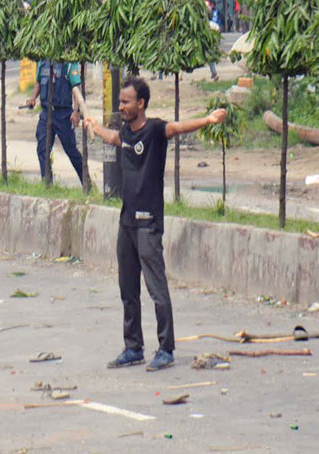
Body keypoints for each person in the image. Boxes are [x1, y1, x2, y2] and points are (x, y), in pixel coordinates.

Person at [83, 76, 226, 372]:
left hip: (148, 224)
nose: (121, 106)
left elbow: (179, 127)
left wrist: (208, 120)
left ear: (141, 104)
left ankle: (166, 349)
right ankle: (133, 348)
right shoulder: (125, 131)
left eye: (126, 102)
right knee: (128, 289)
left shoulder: (156, 130)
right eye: (121, 101)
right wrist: (93, 127)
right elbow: (113, 138)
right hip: (126, 223)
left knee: (156, 289)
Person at [25, 60, 84, 184]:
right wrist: (33, 98)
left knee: (71, 151)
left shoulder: (68, 63)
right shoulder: (42, 62)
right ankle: (47, 184)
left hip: (63, 114)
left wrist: (76, 111)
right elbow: (39, 82)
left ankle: (86, 183)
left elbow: (75, 88)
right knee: (42, 149)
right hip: (46, 113)